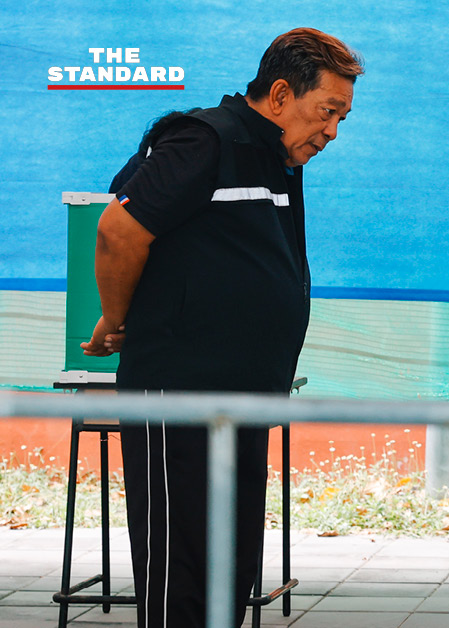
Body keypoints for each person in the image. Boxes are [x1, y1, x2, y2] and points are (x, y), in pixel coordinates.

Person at [79, 27, 363, 628]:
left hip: (243, 399)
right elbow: (118, 230)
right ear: (281, 95)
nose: (333, 132)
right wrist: (117, 318)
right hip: (180, 396)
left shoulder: (274, 157)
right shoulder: (204, 140)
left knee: (229, 564)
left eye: (342, 117)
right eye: (327, 111)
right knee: (181, 565)